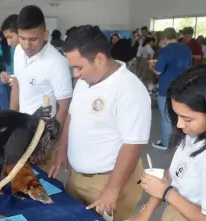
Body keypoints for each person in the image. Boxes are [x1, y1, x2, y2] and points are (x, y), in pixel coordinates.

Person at [49, 25, 151, 220]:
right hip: (77, 176)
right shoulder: (85, 81)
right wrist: (62, 149)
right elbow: (72, 115)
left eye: (78, 67)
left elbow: (133, 145)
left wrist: (112, 190)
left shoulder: (129, 90)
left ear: (100, 59)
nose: (75, 74)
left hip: (109, 181)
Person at [127, 65, 206, 221]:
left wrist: (166, 192)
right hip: (175, 210)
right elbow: (176, 171)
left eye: (187, 119)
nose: (179, 125)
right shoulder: (198, 132)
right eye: (177, 116)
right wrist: (146, 212)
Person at [10, 5, 73, 172]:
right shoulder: (18, 51)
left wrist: (48, 145)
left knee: (38, 187)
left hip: (41, 137)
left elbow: (65, 107)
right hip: (21, 130)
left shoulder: (56, 63)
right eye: (22, 38)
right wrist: (10, 121)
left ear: (46, 34)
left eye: (33, 39)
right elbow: (17, 84)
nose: (27, 45)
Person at [150, 28, 192, 150]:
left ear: (164, 38)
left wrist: (152, 67)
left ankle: (165, 142)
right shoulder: (186, 48)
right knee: (182, 115)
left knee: (166, 115)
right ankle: (181, 142)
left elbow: (158, 71)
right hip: (183, 86)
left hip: (166, 88)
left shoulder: (166, 51)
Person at [0, 14, 19, 110]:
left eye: (10, 37)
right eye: (7, 38)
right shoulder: (17, 48)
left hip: (1, 76)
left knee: (3, 103)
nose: (9, 42)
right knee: (14, 99)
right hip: (12, 77)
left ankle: (7, 120)